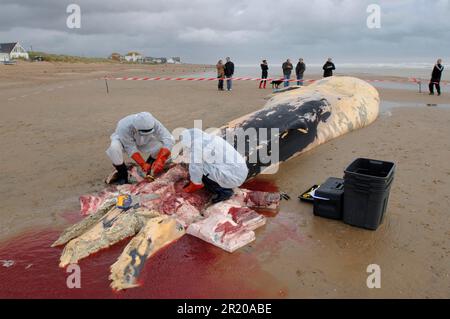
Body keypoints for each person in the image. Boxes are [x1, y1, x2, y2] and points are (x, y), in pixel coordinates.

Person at [180, 128, 249, 203]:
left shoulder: (197, 145)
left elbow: (196, 167)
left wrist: (195, 182)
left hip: (231, 177)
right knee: (203, 162)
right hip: (242, 171)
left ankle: (224, 192)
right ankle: (226, 185)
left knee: (200, 169)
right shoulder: (214, 138)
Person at [106, 112, 175, 185]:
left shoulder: (154, 122)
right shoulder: (123, 125)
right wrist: (142, 163)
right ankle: (123, 174)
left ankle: (150, 168)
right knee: (114, 149)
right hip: (123, 141)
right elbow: (130, 148)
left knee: (160, 146)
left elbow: (169, 139)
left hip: (145, 139)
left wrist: (160, 160)